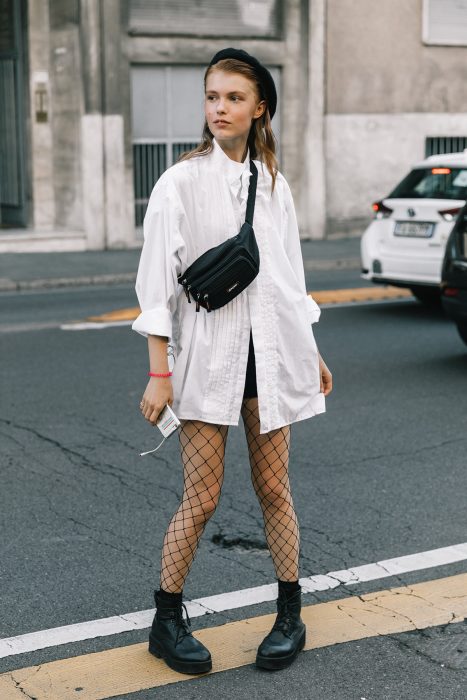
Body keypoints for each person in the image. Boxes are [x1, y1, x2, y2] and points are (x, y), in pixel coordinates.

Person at [132, 47, 333, 676]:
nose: (220, 108)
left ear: (260, 108)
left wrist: (312, 350)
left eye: (234, 98)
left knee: (276, 489)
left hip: (269, 359)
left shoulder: (273, 183)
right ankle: (166, 620)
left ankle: (290, 611)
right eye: (212, 97)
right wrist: (158, 371)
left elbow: (288, 279)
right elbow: (156, 285)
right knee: (202, 496)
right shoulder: (180, 182)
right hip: (210, 360)